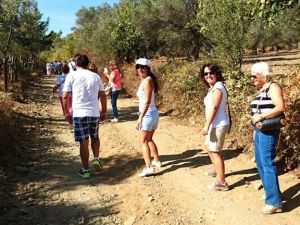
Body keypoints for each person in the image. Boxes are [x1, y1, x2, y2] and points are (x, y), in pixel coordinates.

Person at [62, 54, 107, 179]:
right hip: (94, 112)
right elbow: (102, 95)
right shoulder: (95, 76)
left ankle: (86, 170)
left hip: (79, 114)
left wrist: (66, 113)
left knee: (83, 141)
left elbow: (65, 96)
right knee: (95, 137)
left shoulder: (71, 75)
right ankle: (96, 159)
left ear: (76, 64)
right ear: (88, 64)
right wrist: (103, 111)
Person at [250, 62, 285, 214]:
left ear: (263, 74)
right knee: (260, 162)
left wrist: (261, 116)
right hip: (259, 130)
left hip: (268, 131)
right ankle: (270, 194)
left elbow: (280, 107)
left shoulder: (273, 87)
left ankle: (274, 202)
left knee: (267, 163)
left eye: (254, 76)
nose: (252, 79)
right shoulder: (263, 89)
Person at [200, 63, 230, 191]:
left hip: (217, 124)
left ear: (216, 74)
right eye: (205, 74)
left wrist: (206, 125)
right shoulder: (212, 88)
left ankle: (222, 182)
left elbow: (215, 107)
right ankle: (217, 170)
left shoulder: (218, 87)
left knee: (215, 152)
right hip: (214, 123)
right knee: (209, 147)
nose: (208, 76)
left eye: (211, 73)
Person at [135, 58, 161, 177]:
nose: (140, 69)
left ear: (148, 68)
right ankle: (156, 161)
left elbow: (147, 101)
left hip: (148, 114)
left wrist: (141, 117)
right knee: (149, 139)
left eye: (143, 67)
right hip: (152, 113)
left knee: (143, 141)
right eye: (138, 67)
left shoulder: (147, 81)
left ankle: (149, 167)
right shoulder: (146, 80)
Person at [49, 63, 73, 128]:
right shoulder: (72, 76)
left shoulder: (59, 77)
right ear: (68, 70)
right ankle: (71, 117)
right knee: (71, 105)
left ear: (61, 70)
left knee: (64, 105)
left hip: (62, 94)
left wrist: (52, 93)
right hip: (71, 93)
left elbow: (56, 86)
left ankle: (67, 116)